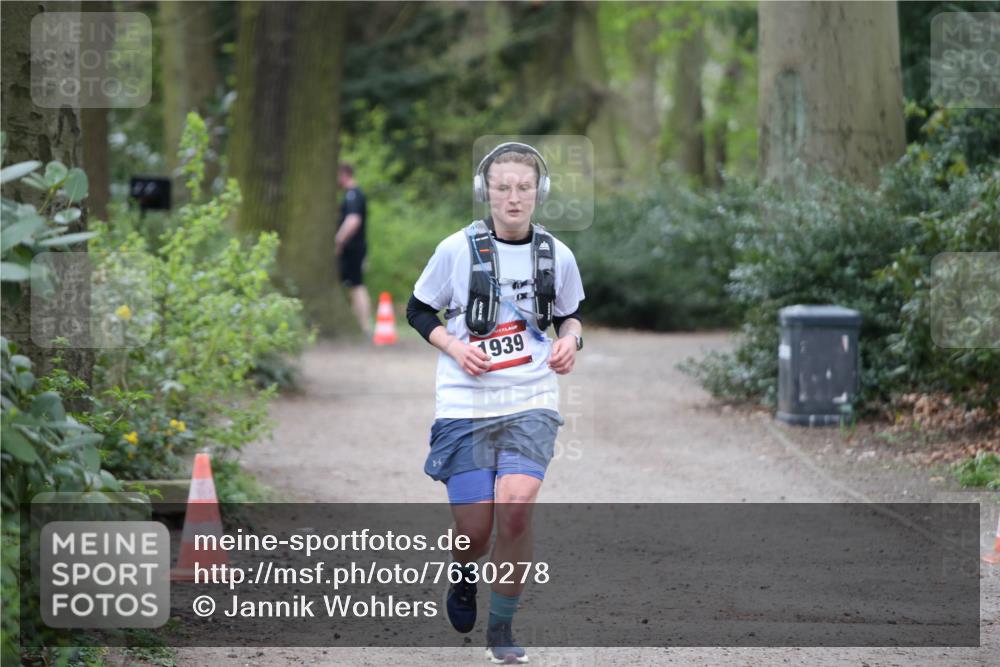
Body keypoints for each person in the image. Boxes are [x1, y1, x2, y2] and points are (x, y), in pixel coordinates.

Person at [406, 142, 584, 663]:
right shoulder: (455, 250)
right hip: (464, 403)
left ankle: (501, 630)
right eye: (502, 187)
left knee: (515, 512)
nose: (513, 197)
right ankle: (463, 573)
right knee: (476, 530)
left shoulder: (557, 254)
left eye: (523, 188)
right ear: (486, 192)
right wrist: (455, 345)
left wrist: (570, 341)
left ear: (539, 193)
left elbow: (572, 316)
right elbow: (419, 311)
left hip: (531, 396)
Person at [335, 163, 372, 336]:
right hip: (354, 248)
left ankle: (364, 326)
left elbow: (353, 220)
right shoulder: (353, 194)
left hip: (353, 248)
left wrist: (339, 240)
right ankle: (359, 324)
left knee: (357, 285)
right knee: (353, 286)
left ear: (345, 174)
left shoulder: (353, 195)